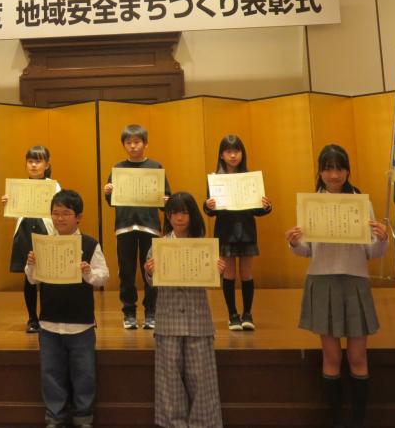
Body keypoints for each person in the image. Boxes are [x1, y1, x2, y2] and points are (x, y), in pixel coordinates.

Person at [286, 144, 388, 428]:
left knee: (357, 357)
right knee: (330, 357)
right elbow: (306, 250)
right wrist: (294, 242)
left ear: (347, 171)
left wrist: (381, 239)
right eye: (328, 169)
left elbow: (372, 252)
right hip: (323, 280)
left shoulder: (360, 202)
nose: (334, 175)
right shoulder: (310, 203)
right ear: (320, 172)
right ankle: (335, 421)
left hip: (355, 280)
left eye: (339, 168)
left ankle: (358, 421)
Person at [26, 190, 109, 428]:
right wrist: (31, 265)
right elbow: (32, 279)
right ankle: (55, 417)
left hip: (81, 324)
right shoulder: (44, 243)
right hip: (49, 323)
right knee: (51, 375)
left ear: (78, 217)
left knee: (84, 375)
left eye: (65, 213)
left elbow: (103, 277)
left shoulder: (90, 244)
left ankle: (84, 418)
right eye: (55, 213)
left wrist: (88, 273)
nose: (59, 218)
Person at [144, 192, 226, 428]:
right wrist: (149, 271)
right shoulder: (158, 246)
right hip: (168, 320)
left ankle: (204, 423)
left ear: (193, 215)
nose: (179, 218)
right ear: (168, 216)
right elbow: (151, 282)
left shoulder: (204, 246)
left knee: (202, 379)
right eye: (174, 213)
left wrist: (218, 271)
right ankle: (173, 424)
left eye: (184, 213)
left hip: (198, 320)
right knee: (169, 379)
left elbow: (213, 283)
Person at [103, 124, 171, 330]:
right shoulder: (118, 169)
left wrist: (166, 200)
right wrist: (108, 192)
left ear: (145, 143)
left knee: (152, 271)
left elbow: (166, 199)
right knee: (126, 272)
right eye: (128, 142)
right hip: (124, 226)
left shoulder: (155, 167)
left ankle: (151, 312)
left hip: (150, 226)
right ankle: (129, 313)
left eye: (137, 142)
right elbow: (112, 201)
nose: (133, 146)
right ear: (123, 145)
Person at [203, 134, 272, 331]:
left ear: (242, 153)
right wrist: (208, 205)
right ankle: (232, 315)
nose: (233, 155)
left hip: (247, 230)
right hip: (226, 230)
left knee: (247, 273)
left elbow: (258, 209)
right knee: (229, 273)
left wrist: (266, 206)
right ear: (221, 155)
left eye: (237, 151)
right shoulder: (215, 179)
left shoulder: (250, 178)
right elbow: (211, 210)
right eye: (228, 151)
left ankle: (247, 314)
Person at [3, 145, 58, 333]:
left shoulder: (53, 185)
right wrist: (8, 202)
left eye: (38, 161)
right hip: (25, 232)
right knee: (29, 276)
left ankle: (47, 317)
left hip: (46, 231)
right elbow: (15, 212)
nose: (34, 165)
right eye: (30, 161)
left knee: (47, 278)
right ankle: (32, 318)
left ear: (47, 164)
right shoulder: (19, 186)